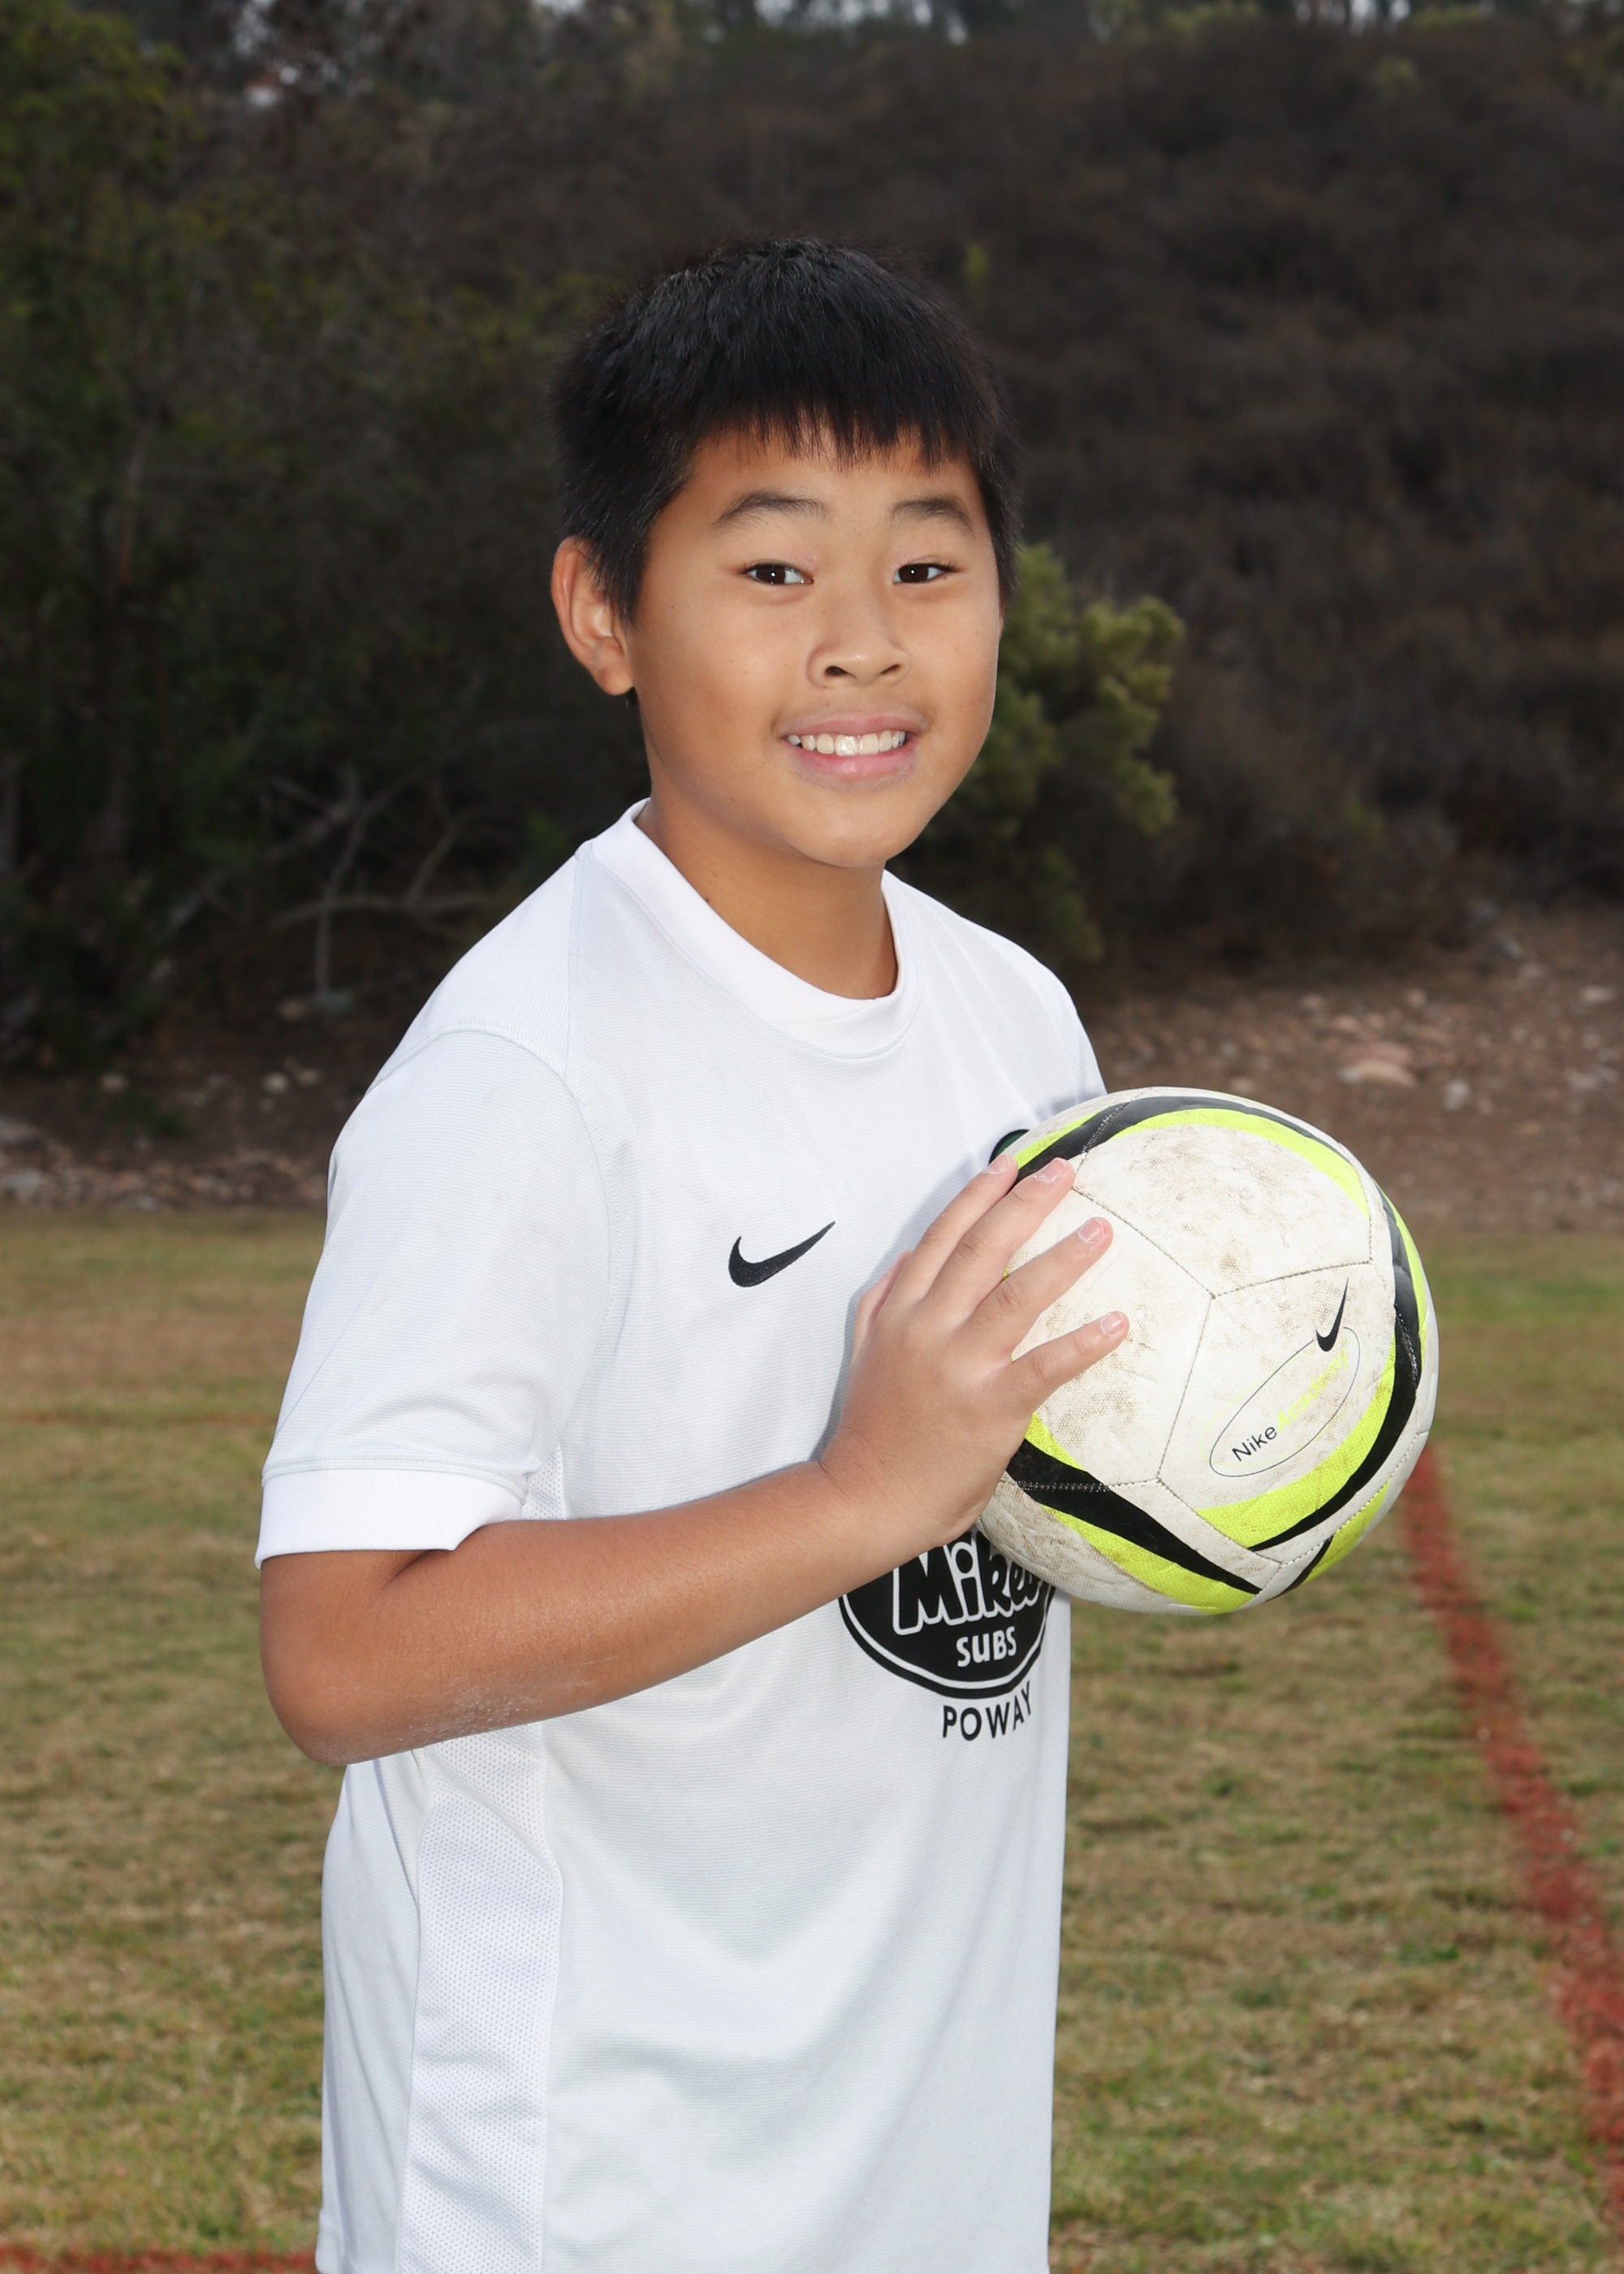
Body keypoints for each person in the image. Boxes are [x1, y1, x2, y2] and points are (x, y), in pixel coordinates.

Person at [257, 237, 1129, 2274]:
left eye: (927, 563)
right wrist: (852, 1496)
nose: (862, 642)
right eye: (773, 566)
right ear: (604, 615)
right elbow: (340, 1650)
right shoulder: (525, 1067)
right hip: (587, 2177)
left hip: (918, 2149)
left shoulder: (1019, 1023)